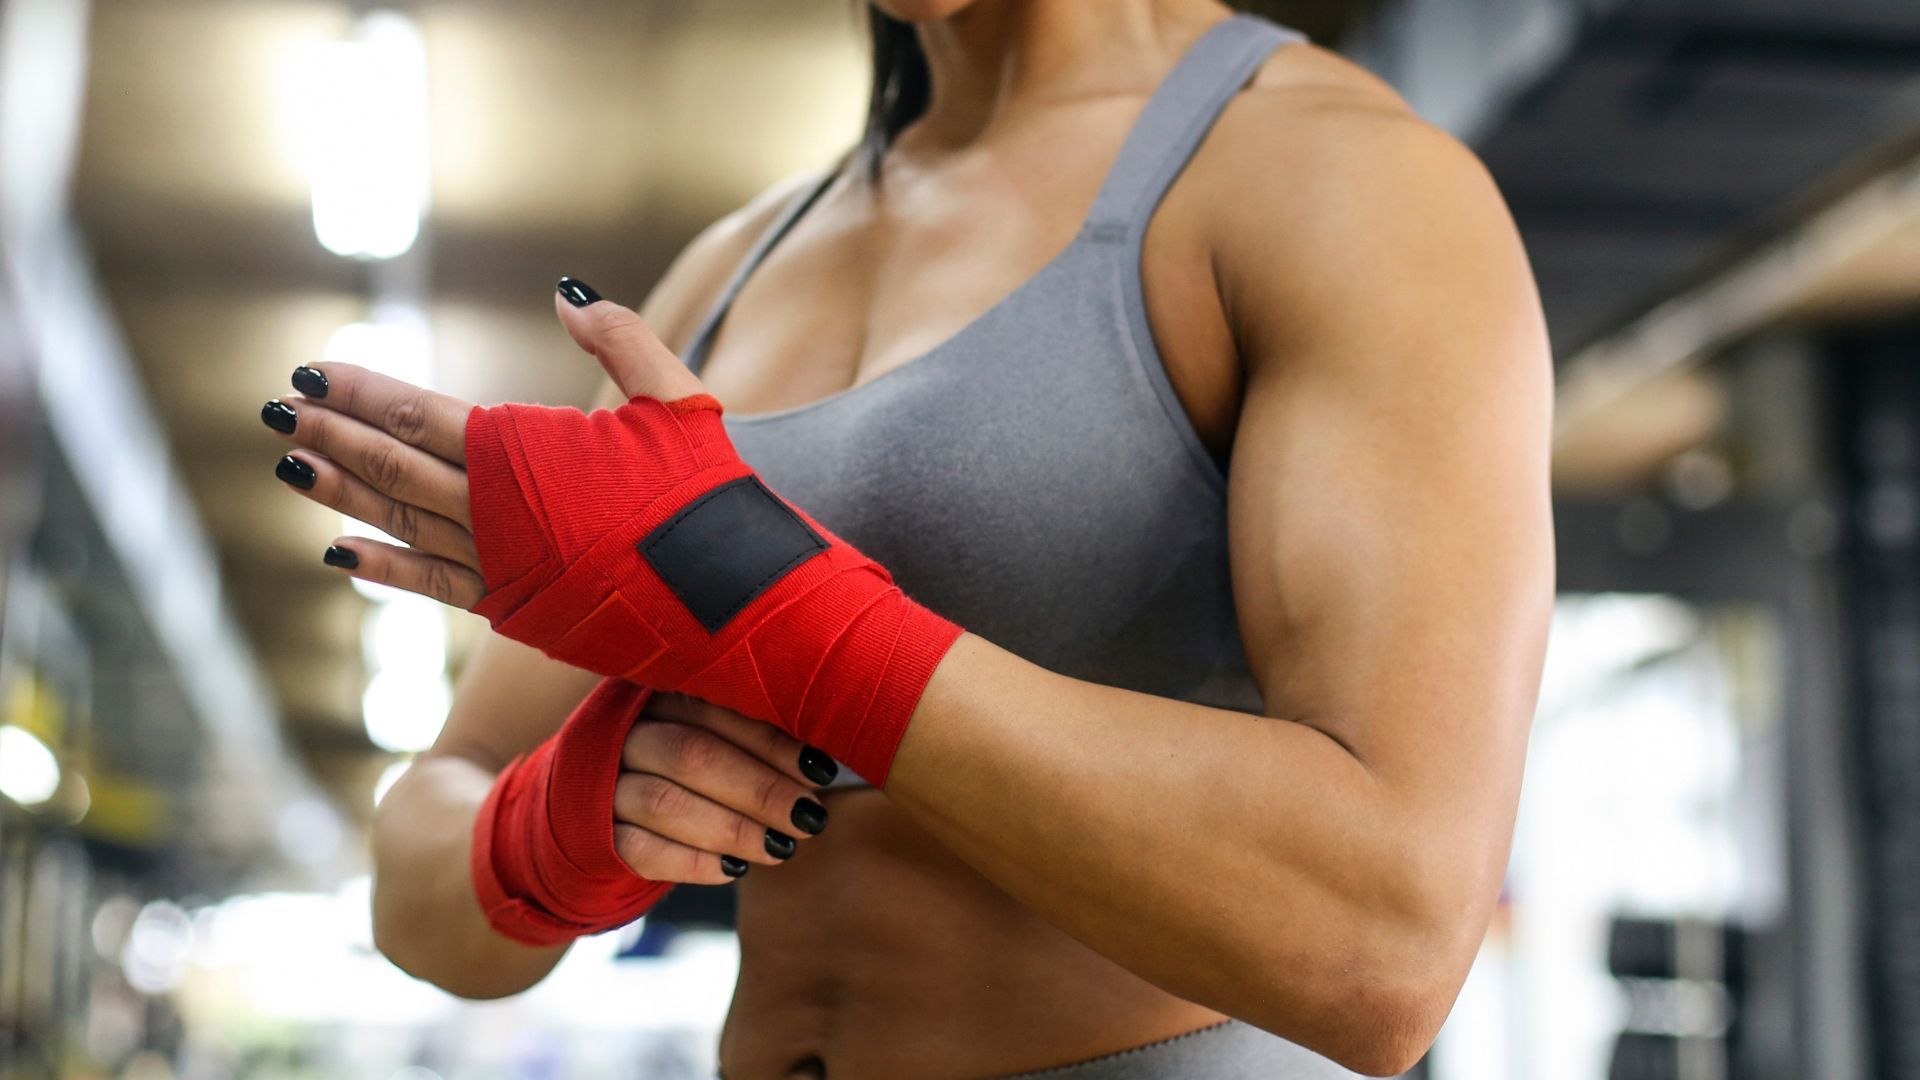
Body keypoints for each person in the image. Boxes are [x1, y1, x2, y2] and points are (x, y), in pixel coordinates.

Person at [260, 2, 1553, 1076]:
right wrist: (558, 828)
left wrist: (768, 601)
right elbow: (423, 871)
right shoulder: (736, 267)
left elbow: (1388, 942)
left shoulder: (1339, 178)